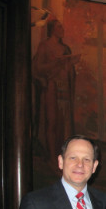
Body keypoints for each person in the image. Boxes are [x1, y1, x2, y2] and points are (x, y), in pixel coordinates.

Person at [32, 19, 80, 161]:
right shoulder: (45, 46)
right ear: (52, 29)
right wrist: (56, 62)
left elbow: (68, 70)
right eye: (59, 27)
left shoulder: (65, 48)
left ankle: (65, 156)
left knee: (64, 123)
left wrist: (70, 64)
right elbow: (38, 68)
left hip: (64, 88)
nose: (62, 29)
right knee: (52, 121)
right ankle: (52, 156)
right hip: (52, 86)